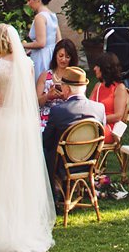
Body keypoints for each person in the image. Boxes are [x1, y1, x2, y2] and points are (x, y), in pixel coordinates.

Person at [0, 23, 55, 252]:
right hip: (23, 125)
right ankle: (21, 227)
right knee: (20, 175)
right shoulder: (27, 64)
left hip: (4, 123)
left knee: (0, 175)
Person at [41, 65, 105, 200]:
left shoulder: (59, 111)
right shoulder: (99, 109)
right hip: (89, 161)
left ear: (67, 88)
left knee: (43, 150)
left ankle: (50, 195)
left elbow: (46, 141)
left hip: (63, 164)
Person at [91, 51, 129, 143]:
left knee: (86, 134)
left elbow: (118, 116)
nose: (94, 69)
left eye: (97, 66)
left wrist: (98, 119)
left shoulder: (119, 88)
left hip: (109, 128)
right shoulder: (97, 86)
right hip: (93, 124)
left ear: (105, 68)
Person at [37, 38, 82, 124]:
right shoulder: (45, 76)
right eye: (60, 56)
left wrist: (65, 97)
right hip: (46, 119)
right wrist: (47, 96)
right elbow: (36, 103)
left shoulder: (75, 76)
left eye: (67, 57)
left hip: (67, 117)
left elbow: (80, 102)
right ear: (55, 55)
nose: (63, 60)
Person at [24, 0, 59, 80]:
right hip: (52, 55)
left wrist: (21, 45)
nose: (28, 4)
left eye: (29, 0)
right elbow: (58, 39)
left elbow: (41, 43)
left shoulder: (40, 17)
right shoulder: (52, 15)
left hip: (41, 58)